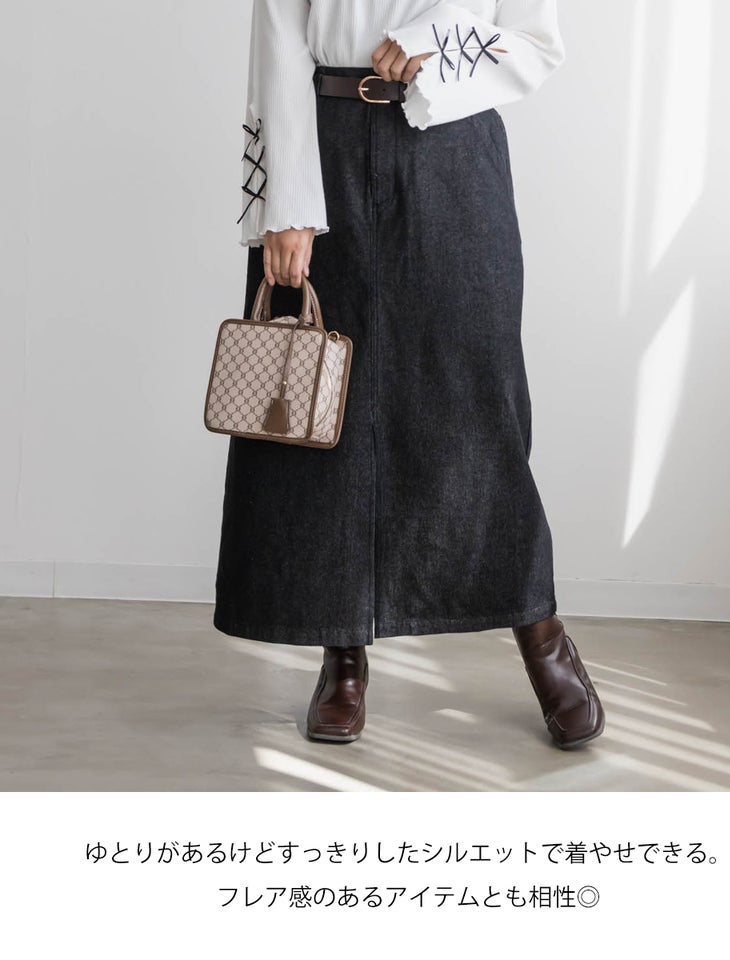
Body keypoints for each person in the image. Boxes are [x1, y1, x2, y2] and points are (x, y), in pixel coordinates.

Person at [213, 0, 606, 750]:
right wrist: (285, 202)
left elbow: (535, 44)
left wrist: (437, 44)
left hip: (453, 151)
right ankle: (343, 651)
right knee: (325, 413)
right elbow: (278, 42)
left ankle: (539, 628)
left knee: (478, 407)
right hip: (323, 151)